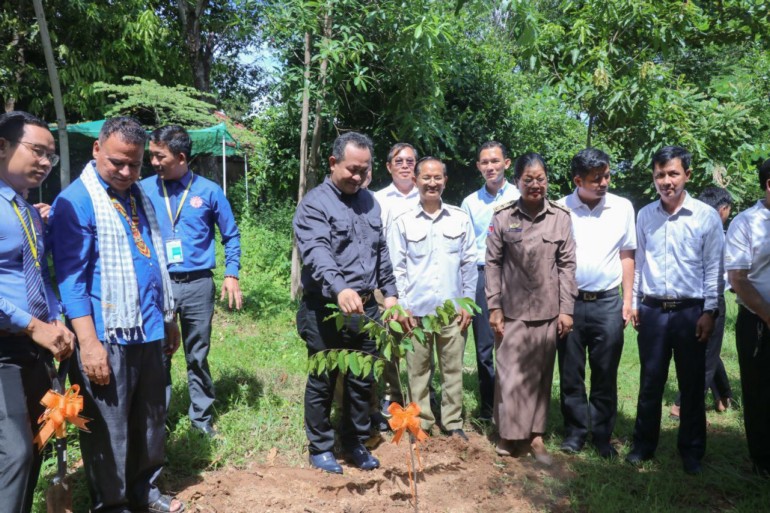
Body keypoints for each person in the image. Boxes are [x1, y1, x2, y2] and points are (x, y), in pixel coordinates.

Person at [50, 117, 184, 513]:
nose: (127, 172)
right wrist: (89, 345)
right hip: (107, 335)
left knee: (150, 418)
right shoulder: (76, 201)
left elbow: (155, 260)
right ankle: (113, 503)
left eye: (135, 164)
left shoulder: (138, 195)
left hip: (149, 327)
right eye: (117, 163)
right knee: (110, 428)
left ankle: (147, 491)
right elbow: (72, 283)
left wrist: (169, 318)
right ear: (96, 150)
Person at [293, 131, 398, 474]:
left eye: (364, 170)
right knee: (323, 379)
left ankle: (355, 442)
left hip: (366, 309)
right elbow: (317, 252)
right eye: (352, 169)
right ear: (333, 162)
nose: (358, 177)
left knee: (361, 381)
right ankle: (321, 447)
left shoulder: (371, 202)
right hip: (326, 308)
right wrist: (339, 288)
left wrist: (391, 293)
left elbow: (380, 251)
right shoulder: (315, 204)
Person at [626, 146, 723, 475]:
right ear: (653, 178)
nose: (666, 181)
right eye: (660, 175)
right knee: (650, 381)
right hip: (652, 311)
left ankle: (692, 451)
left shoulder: (705, 216)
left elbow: (714, 268)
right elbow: (639, 264)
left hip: (690, 312)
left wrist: (710, 311)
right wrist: (636, 301)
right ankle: (643, 446)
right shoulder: (645, 216)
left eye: (673, 174)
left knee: (692, 384)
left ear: (687, 175)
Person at [141, 125, 242, 437]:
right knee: (159, 354)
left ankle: (200, 420)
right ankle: (158, 422)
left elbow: (231, 235)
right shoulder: (143, 189)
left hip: (198, 284)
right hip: (159, 285)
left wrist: (231, 273)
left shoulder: (209, 191)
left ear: (181, 157)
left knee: (197, 354)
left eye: (159, 156)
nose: (153, 162)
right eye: (152, 156)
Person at [0, 111, 75, 513]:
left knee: (32, 445)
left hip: (32, 347)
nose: (46, 162)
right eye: (37, 151)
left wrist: (55, 319)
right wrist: (32, 324)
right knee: (13, 454)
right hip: (5, 348)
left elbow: (38, 273)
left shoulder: (27, 211)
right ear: (2, 146)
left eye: (51, 156)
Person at [486, 152, 577, 465]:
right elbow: (492, 263)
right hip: (511, 310)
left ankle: (536, 435)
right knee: (509, 374)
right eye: (529, 179)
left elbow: (567, 266)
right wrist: (494, 306)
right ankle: (508, 435)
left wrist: (567, 310)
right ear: (517, 182)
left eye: (541, 179)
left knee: (540, 376)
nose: (535, 184)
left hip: (548, 311)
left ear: (547, 180)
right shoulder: (503, 217)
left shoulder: (560, 218)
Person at [388, 157, 477, 440]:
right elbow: (397, 268)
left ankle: (452, 422)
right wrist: (402, 307)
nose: (432, 183)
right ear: (415, 181)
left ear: (445, 181)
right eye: (426, 178)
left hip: (452, 312)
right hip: (416, 313)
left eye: (437, 177)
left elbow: (469, 264)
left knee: (453, 370)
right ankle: (422, 421)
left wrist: (468, 304)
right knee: (418, 371)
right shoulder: (402, 222)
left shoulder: (460, 219)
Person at [557, 148, 636, 459]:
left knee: (605, 372)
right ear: (578, 180)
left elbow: (627, 254)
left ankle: (602, 435)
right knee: (571, 371)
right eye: (596, 179)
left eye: (606, 176)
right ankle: (575, 433)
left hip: (607, 302)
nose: (604, 182)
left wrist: (628, 300)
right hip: (570, 304)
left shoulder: (622, 208)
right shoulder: (560, 209)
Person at [461, 141, 520, 422]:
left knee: (512, 344)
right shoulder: (470, 203)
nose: (490, 167)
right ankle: (488, 407)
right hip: (482, 276)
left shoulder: (522, 197)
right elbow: (465, 246)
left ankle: (513, 407)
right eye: (484, 162)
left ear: (506, 163)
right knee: (484, 345)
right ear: (478, 167)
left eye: (495, 161)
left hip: (515, 277)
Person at [670, 186, 734, 419]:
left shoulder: (689, 225)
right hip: (710, 296)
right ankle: (681, 405)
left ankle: (723, 396)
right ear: (723, 209)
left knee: (708, 348)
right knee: (706, 354)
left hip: (688, 297)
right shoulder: (718, 231)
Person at [725, 158, 770, 478]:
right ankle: (763, 461)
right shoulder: (747, 223)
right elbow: (738, 278)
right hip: (758, 323)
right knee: (759, 394)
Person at [371, 142, 421, 424]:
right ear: (389, 166)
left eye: (410, 160)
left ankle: (419, 394)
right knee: (389, 341)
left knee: (417, 341)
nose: (405, 165)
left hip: (418, 281)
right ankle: (391, 393)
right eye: (398, 161)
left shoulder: (425, 196)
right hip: (385, 283)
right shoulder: (377, 199)